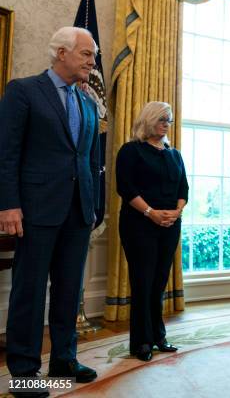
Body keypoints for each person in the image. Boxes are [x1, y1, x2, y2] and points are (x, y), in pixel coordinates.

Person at [0, 27, 100, 395]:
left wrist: (94, 207)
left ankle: (64, 359)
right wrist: (8, 204)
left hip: (78, 212)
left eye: (93, 54)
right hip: (36, 210)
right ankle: (25, 371)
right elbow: (6, 152)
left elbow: (91, 160)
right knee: (29, 290)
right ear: (61, 52)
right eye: (87, 54)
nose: (92, 61)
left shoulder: (88, 102)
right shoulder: (23, 91)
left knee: (69, 290)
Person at [115, 102, 188, 361]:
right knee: (143, 283)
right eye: (161, 119)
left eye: (168, 119)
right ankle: (141, 342)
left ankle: (159, 336)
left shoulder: (174, 154)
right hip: (139, 226)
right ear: (148, 120)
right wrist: (151, 213)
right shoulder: (131, 151)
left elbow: (184, 189)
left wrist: (176, 212)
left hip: (169, 225)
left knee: (158, 283)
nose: (166, 123)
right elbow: (125, 188)